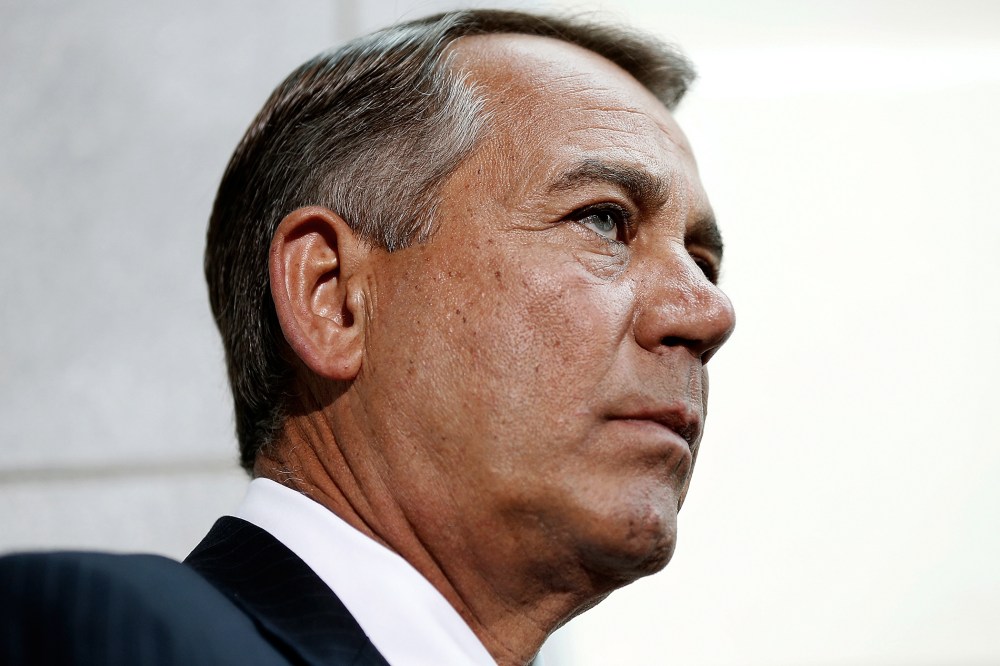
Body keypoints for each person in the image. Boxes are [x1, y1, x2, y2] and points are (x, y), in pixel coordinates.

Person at [0, 8, 734, 665]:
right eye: (603, 219)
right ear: (333, 297)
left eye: (702, 261)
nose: (710, 314)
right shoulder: (98, 635)